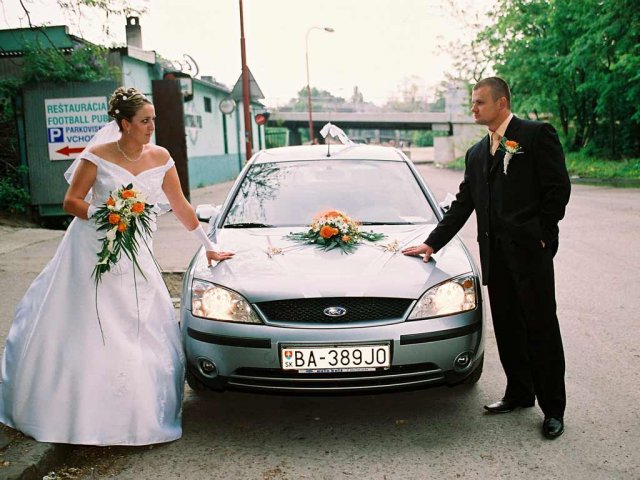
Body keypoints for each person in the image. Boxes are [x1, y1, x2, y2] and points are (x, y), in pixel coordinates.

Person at [0, 87, 234, 445]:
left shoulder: (161, 157)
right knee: (91, 320)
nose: (151, 127)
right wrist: (108, 213)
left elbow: (182, 206)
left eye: (153, 120)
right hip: (92, 249)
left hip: (137, 253)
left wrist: (209, 247)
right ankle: (78, 409)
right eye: (144, 121)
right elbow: (71, 202)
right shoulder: (97, 155)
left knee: (138, 322)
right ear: (125, 124)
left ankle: (136, 413)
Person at [402, 77, 571, 439]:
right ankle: (519, 393)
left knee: (540, 329)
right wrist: (432, 243)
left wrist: (543, 233)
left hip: (531, 254)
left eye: (479, 102)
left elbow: (558, 188)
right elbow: (464, 202)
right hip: (495, 257)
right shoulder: (477, 152)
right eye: (473, 102)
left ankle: (553, 409)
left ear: (502, 103)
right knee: (508, 328)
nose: (473, 108)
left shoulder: (535, 135)